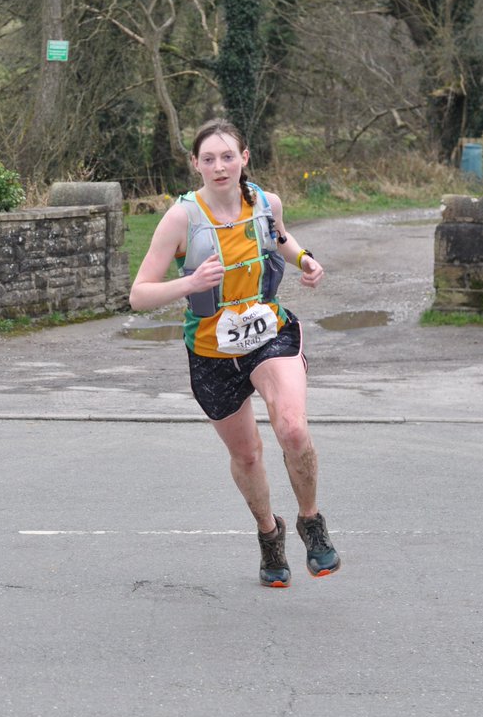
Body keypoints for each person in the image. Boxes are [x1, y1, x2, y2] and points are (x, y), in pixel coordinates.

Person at [128, 118, 340, 588]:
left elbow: (280, 238)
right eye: (208, 159)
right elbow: (138, 295)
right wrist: (190, 283)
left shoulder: (266, 203)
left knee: (292, 427)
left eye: (228, 156)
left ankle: (310, 519)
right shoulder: (181, 218)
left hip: (269, 333)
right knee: (247, 455)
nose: (219, 166)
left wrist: (305, 259)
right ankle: (270, 534)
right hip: (211, 351)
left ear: (245, 158)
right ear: (195, 165)